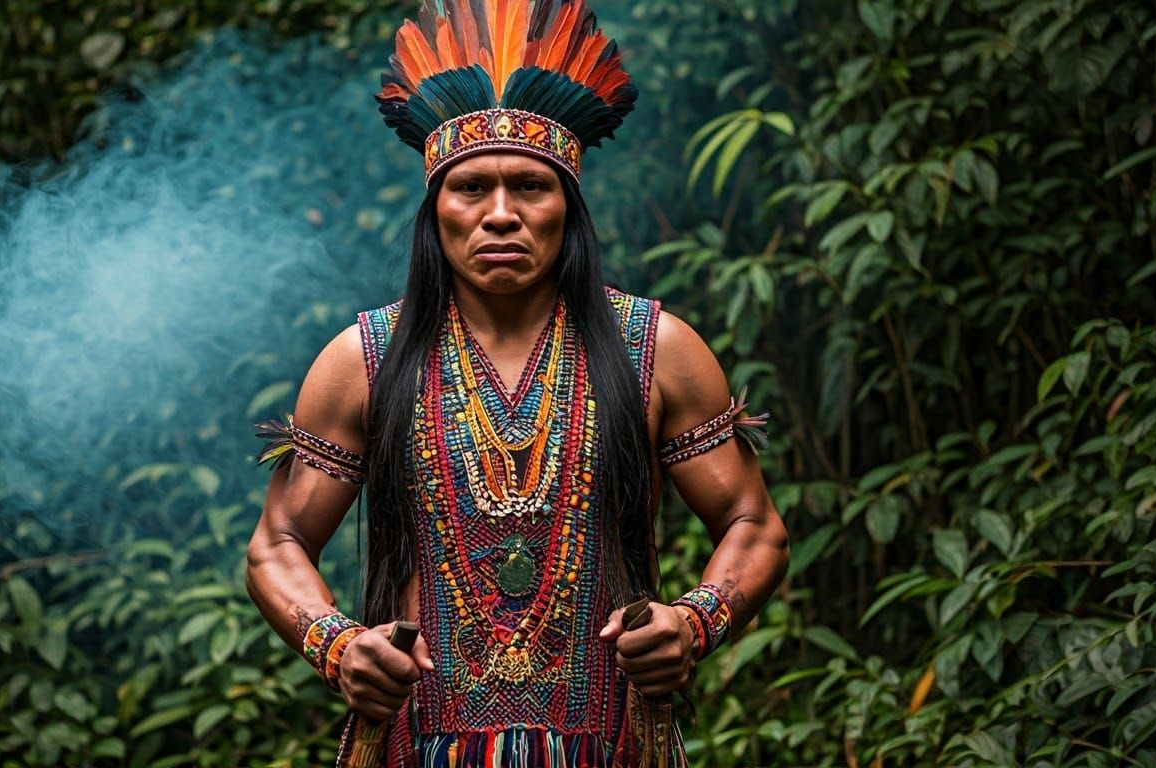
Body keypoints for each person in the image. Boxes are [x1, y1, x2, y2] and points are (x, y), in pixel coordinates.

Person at [246, 1, 789, 764]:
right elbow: (277, 543)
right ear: (435, 210)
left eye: (531, 186)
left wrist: (693, 623)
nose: (501, 215)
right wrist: (338, 646)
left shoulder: (656, 349)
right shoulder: (364, 360)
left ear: (568, 206)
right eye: (471, 188)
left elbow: (754, 524)